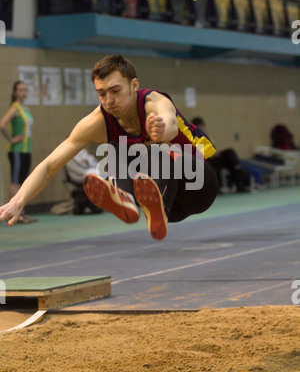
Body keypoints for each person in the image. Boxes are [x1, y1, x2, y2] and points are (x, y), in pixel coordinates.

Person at [0, 55, 218, 239]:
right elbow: (49, 166)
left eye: (115, 91)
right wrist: (18, 201)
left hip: (197, 184)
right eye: (101, 93)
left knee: (154, 152)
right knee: (115, 149)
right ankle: (128, 200)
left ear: (134, 85)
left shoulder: (154, 102)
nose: (109, 100)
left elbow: (170, 123)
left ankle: (142, 199)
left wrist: (162, 130)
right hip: (169, 206)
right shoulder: (97, 122)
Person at [0, 81, 36, 223]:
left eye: (25, 90)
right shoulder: (14, 108)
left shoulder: (25, 109)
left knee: (23, 181)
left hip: (27, 149)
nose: (23, 93)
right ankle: (13, 213)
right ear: (15, 92)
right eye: (20, 90)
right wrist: (11, 139)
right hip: (17, 150)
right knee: (15, 181)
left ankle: (21, 212)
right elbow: (2, 124)